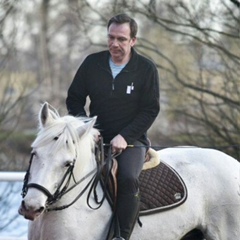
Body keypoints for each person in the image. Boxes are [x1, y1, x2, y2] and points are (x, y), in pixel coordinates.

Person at [66, 13, 160, 240]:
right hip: (94, 137)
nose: (114, 44)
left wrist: (125, 137)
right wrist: (88, 127)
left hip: (132, 141)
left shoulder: (146, 69)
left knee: (127, 177)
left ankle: (121, 235)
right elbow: (74, 99)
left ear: (133, 41)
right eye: (111, 38)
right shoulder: (92, 63)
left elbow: (150, 110)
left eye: (121, 39)